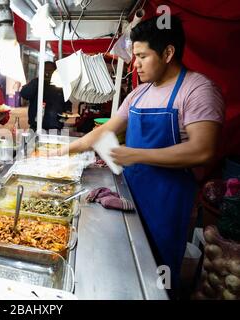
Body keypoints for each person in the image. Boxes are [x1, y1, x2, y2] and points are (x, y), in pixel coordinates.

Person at [60, 16, 224, 292]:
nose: (134, 63)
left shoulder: (197, 90)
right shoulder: (139, 93)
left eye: (142, 56)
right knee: (126, 272)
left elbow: (202, 150)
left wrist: (135, 155)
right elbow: (106, 131)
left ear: (168, 53)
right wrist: (61, 151)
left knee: (157, 280)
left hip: (166, 205)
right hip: (130, 196)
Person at [20, 61, 72, 132]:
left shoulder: (60, 85)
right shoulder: (36, 83)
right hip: (36, 127)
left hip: (55, 128)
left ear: (55, 72)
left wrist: (65, 115)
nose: (47, 73)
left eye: (50, 70)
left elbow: (67, 103)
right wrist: (38, 81)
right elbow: (24, 94)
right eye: (45, 70)